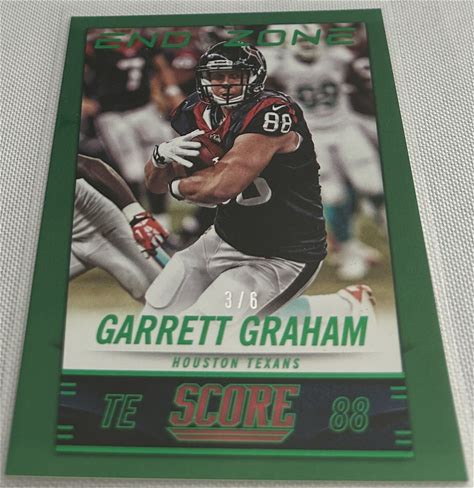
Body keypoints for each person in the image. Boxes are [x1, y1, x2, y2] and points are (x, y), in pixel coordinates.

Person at [141, 42, 373, 320]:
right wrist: (159, 158)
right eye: (217, 76)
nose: (225, 84)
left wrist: (177, 186)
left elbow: (222, 187)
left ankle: (342, 309)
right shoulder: (193, 111)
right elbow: (153, 185)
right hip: (224, 238)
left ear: (254, 78)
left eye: (235, 76)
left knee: (207, 323)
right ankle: (341, 305)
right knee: (154, 316)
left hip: (284, 253)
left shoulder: (272, 112)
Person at [265, 24, 384, 280]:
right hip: (313, 136)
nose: (308, 45)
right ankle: (349, 250)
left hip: (345, 127)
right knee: (333, 196)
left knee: (372, 184)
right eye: (301, 40)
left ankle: (382, 217)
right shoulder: (280, 67)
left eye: (312, 39)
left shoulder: (338, 58)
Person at [71, 154, 168, 301]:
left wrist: (136, 214)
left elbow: (88, 165)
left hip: (100, 223)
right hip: (59, 239)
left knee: (163, 291)